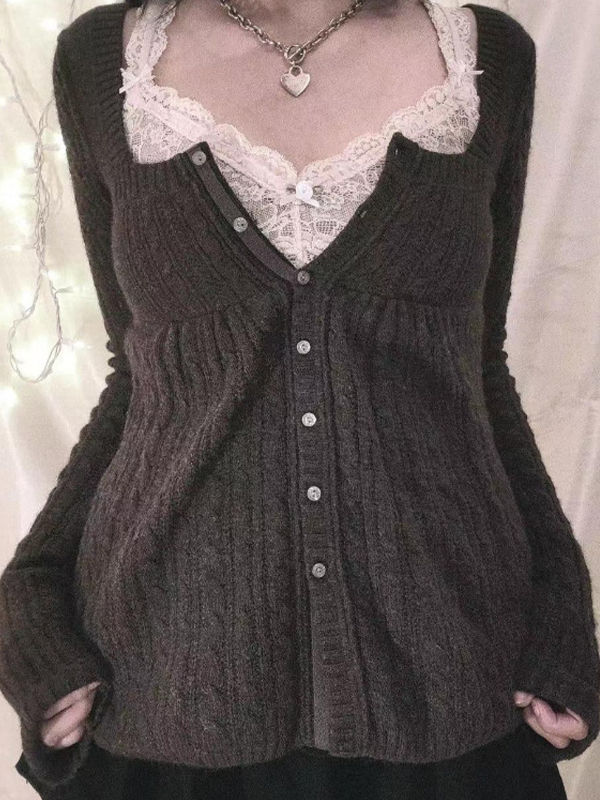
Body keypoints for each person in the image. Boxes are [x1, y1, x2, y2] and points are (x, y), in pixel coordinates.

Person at [1, 1, 598, 798]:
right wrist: (30, 592)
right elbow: (139, 377)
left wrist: (564, 612)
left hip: (451, 681)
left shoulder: (489, 56)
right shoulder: (101, 60)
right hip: (168, 689)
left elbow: (478, 370)